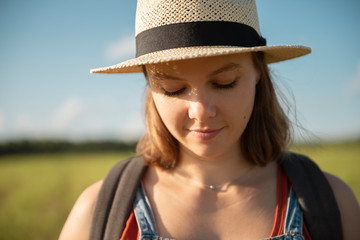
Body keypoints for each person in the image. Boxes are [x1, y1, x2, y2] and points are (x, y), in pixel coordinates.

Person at [59, 0, 360, 239]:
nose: (201, 110)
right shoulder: (98, 212)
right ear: (149, 85)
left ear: (258, 72)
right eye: (173, 89)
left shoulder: (333, 205)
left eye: (225, 82)